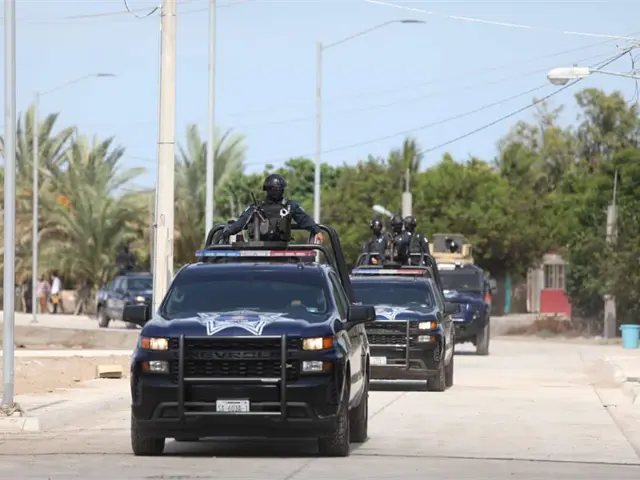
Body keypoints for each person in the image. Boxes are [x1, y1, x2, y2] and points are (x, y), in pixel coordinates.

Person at [223, 174, 324, 243]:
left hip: (282, 250)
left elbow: (304, 219)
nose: (276, 191)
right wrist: (229, 232)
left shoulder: (289, 206)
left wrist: (316, 230)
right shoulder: (256, 207)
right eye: (273, 189)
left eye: (278, 189)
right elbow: (242, 221)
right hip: (258, 251)